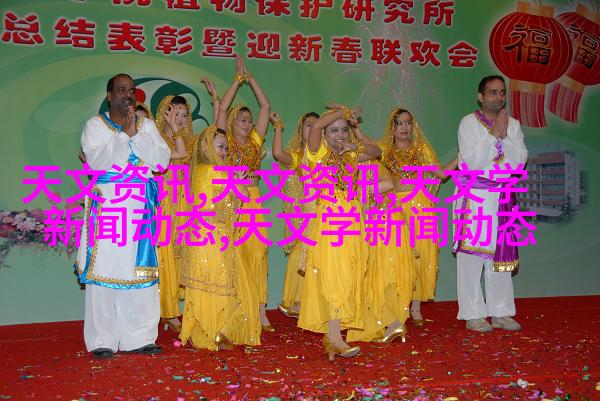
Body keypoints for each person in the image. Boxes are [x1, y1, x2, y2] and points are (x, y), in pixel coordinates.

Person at [76, 73, 171, 359]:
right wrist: (124, 136)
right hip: (108, 208)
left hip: (139, 208)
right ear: (109, 95)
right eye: (121, 90)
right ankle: (102, 340)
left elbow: (161, 161)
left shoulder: (147, 126)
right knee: (104, 271)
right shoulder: (95, 126)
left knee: (138, 271)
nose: (127, 95)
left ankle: (139, 338)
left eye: (131, 90)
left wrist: (136, 135)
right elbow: (96, 162)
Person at [178, 85, 261, 349]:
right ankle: (211, 332)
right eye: (220, 146)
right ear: (207, 147)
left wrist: (238, 181)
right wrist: (237, 180)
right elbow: (231, 193)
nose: (225, 151)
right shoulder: (209, 171)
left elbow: (238, 197)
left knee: (223, 286)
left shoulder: (214, 171)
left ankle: (216, 331)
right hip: (209, 238)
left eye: (226, 147)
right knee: (216, 286)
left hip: (218, 237)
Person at [297, 105, 381, 361]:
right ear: (324, 135)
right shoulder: (317, 153)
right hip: (330, 224)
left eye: (344, 130)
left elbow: (377, 152)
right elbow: (317, 125)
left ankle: (333, 339)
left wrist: (355, 140)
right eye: (334, 131)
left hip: (352, 223)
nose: (340, 135)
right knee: (335, 278)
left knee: (346, 277)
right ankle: (335, 338)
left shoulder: (351, 155)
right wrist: (343, 112)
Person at [454, 75, 527, 332]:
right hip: (476, 195)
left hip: (503, 196)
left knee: (500, 255)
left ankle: (501, 312)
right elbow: (471, 162)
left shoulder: (513, 125)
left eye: (502, 92)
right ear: (480, 96)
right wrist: (493, 136)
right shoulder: (468, 123)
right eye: (493, 92)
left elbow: (518, 163)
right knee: (472, 255)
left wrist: (504, 137)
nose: (499, 97)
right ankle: (473, 314)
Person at [379, 108, 456, 326]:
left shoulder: (421, 150)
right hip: (394, 208)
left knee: (421, 254)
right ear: (392, 127)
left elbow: (442, 174)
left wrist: (462, 156)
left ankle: (415, 307)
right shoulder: (383, 152)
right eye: (399, 123)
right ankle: (397, 306)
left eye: (408, 122)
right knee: (397, 257)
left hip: (420, 208)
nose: (405, 127)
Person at [216, 55, 273, 331]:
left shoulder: (255, 141)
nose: (247, 124)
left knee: (258, 253)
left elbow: (266, 106)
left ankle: (260, 310)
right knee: (234, 253)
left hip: (253, 199)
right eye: (242, 119)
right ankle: (237, 308)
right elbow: (222, 108)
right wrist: (236, 81)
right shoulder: (224, 139)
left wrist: (250, 79)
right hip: (232, 200)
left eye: (249, 120)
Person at [154, 95, 197, 332]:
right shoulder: (156, 139)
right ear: (165, 113)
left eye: (184, 115)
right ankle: (168, 311)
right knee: (165, 256)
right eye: (175, 113)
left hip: (185, 203)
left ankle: (184, 309)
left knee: (184, 255)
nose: (179, 119)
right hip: (164, 202)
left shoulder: (191, 141)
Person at [271, 111, 319, 318]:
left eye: (317, 125)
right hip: (302, 219)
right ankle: (299, 303)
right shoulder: (296, 157)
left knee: (313, 259)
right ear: (301, 131)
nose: (313, 128)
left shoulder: (325, 157)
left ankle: (305, 303)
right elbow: (278, 153)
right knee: (300, 256)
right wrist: (278, 127)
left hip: (323, 215)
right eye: (309, 124)